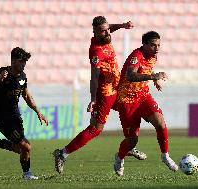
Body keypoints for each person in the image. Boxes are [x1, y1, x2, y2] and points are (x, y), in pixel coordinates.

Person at [53, 16, 147, 174]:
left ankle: (129, 146)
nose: (107, 32)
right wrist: (93, 100)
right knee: (96, 129)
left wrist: (122, 25)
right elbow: (94, 77)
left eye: (107, 29)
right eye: (103, 31)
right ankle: (62, 153)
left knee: (130, 109)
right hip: (105, 93)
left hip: (117, 88)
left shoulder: (105, 37)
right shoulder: (97, 52)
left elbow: (109, 27)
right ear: (95, 32)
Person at [113, 31, 178, 176]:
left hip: (144, 96)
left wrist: (154, 80)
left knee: (160, 123)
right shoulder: (136, 56)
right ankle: (119, 157)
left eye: (158, 45)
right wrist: (152, 76)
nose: (157, 48)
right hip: (127, 100)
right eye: (153, 45)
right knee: (132, 141)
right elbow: (130, 75)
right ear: (144, 44)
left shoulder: (153, 56)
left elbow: (148, 68)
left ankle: (165, 155)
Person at [0, 47, 48, 180]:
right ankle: (27, 174)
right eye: (22, 61)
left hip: (15, 116)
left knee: (19, 149)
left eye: (25, 62)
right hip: (1, 117)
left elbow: (26, 96)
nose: (24, 64)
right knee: (26, 147)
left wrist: (38, 111)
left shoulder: (22, 77)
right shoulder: (0, 72)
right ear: (14, 61)